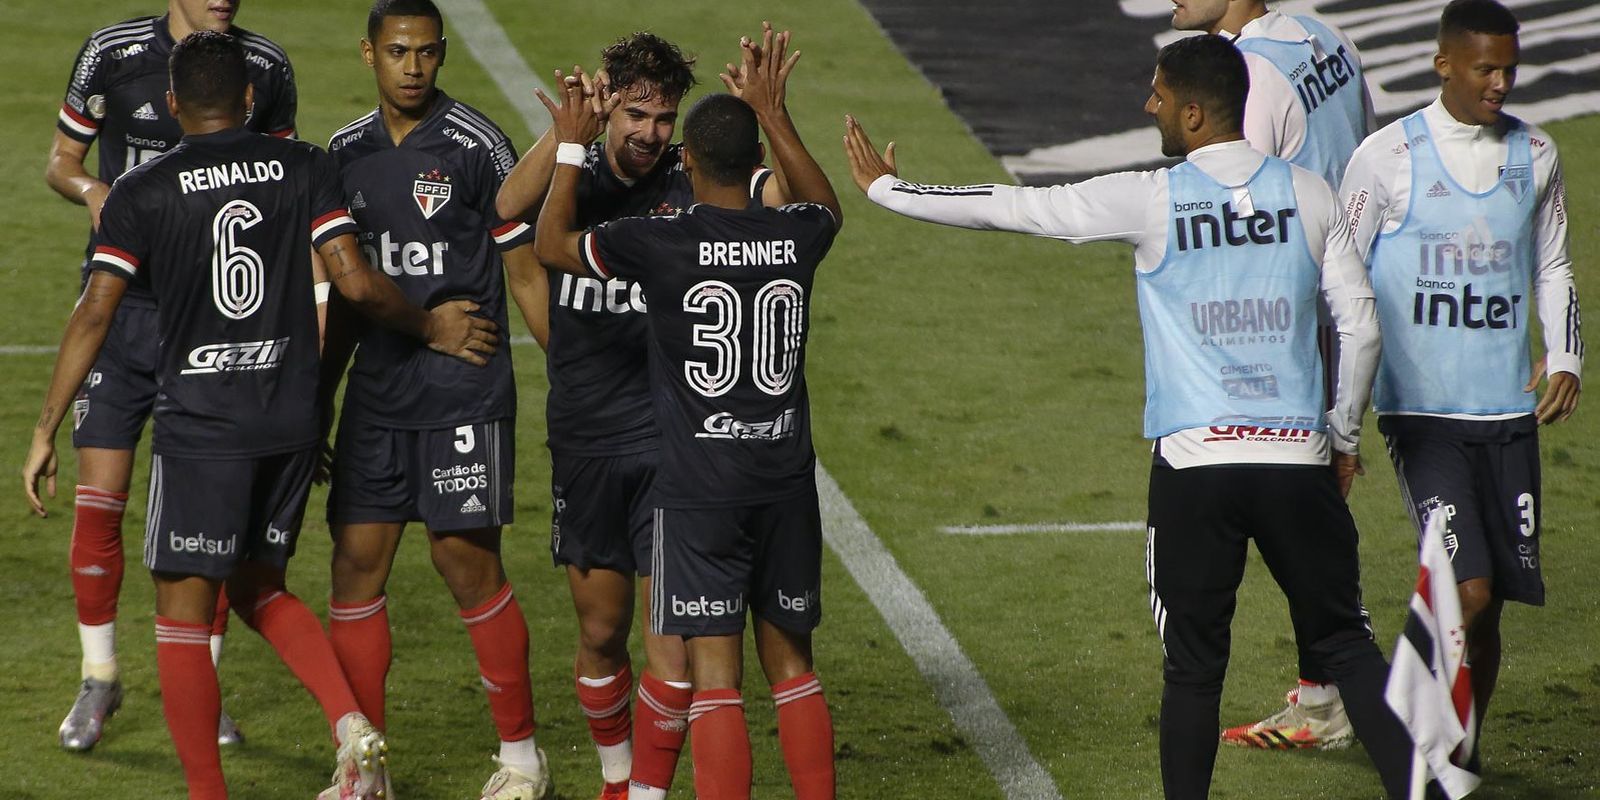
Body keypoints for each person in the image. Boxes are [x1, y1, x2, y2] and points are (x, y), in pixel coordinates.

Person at [843, 33, 1415, 800]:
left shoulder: (1153, 197)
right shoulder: (1310, 194)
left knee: (1193, 668)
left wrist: (889, 191)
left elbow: (1019, 209)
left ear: (1192, 111)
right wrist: (1342, 437)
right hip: (1294, 461)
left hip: (1195, 470)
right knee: (1346, 645)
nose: (1147, 106)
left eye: (1156, 95)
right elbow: (1363, 326)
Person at [23, 30, 497, 800]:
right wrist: (429, 323)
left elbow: (94, 314)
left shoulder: (143, 192)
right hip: (289, 419)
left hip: (202, 425)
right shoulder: (307, 165)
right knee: (256, 588)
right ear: (249, 100)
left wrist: (46, 428)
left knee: (180, 615)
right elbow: (353, 282)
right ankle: (348, 722)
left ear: (175, 106)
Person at [532, 26, 841, 800]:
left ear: (689, 162)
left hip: (698, 489)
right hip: (785, 482)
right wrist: (774, 112)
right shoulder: (797, 234)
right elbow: (825, 202)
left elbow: (551, 242)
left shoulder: (660, 243)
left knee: (715, 679)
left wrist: (570, 149)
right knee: (795, 670)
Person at [44, 0, 297, 752]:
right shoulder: (112, 54)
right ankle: (99, 676)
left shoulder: (267, 67)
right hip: (124, 310)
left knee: (207, 524)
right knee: (100, 503)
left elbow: (282, 189)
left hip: (216, 320)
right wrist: (100, 194)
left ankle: (205, 686)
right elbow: (62, 162)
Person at [1338, 0, 1581, 780]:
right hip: (1421, 416)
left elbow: (1552, 263)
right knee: (1466, 588)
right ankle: (1409, 746)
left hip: (1508, 415)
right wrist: (1335, 402)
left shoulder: (1535, 155)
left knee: (1492, 604)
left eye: (1510, 67)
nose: (1501, 83)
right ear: (1444, 63)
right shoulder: (1385, 158)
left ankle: (1463, 751)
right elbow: (1338, 273)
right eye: (1485, 68)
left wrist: (1567, 352)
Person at [317, 2, 551, 797]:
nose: (412, 67)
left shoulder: (480, 147)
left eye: (424, 53)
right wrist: (319, 399)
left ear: (443, 55)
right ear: (369, 55)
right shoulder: (342, 154)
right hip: (377, 394)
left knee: (465, 564)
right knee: (355, 568)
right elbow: (346, 296)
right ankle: (364, 770)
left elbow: (523, 269)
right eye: (396, 52)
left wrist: (578, 374)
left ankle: (521, 761)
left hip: (462, 389)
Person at [1170, 0, 1378, 751]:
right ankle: (1329, 690)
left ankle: (1337, 695)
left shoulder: (1249, 75)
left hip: (1291, 320)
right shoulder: (1327, 35)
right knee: (1320, 501)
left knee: (1300, 509)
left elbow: (1238, 205)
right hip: (1343, 288)